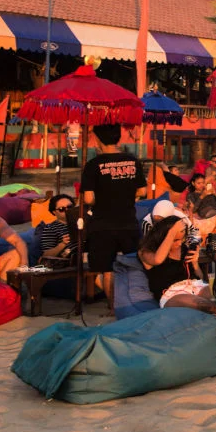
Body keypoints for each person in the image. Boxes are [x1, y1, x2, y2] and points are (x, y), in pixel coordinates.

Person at [81, 124, 148, 310]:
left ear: (98, 140)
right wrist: (125, 197)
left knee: (107, 269)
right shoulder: (132, 161)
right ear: (118, 138)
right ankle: (135, 302)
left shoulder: (93, 165)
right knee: (133, 265)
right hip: (128, 221)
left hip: (103, 224)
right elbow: (142, 190)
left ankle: (113, 309)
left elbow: (88, 198)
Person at [37, 194, 75, 261]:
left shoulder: (83, 222)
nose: (67, 210)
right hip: (67, 263)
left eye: (70, 207)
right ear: (54, 212)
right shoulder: (50, 228)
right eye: (61, 209)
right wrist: (63, 244)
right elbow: (46, 255)